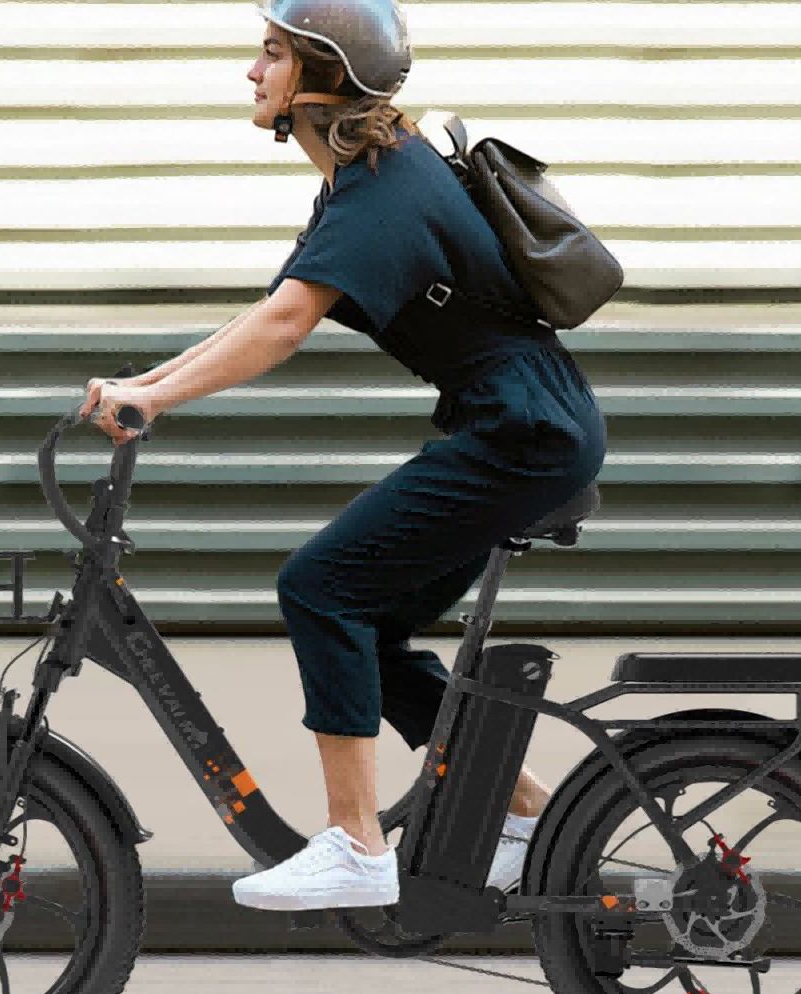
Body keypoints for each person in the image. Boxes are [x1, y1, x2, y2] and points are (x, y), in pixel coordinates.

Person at [80, 0, 607, 912]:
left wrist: (155, 398)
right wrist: (143, 384)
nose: (252, 72)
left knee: (321, 588)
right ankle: (524, 818)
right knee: (375, 629)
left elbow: (286, 325)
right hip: (524, 427)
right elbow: (268, 308)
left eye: (272, 54)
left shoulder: (386, 191)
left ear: (321, 76)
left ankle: (357, 844)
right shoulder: (366, 179)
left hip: (522, 434)